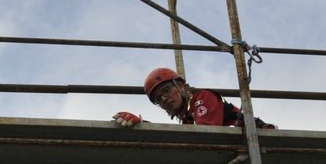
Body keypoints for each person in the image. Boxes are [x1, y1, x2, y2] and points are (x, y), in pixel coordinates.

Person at [112, 67, 276, 129]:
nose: (164, 99)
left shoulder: (202, 98)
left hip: (259, 141)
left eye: (167, 90)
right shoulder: (188, 118)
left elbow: (205, 137)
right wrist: (143, 127)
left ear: (181, 86)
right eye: (158, 98)